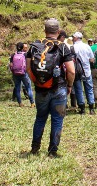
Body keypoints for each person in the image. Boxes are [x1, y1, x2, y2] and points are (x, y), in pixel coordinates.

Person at [27, 18, 75, 158]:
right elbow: (71, 71)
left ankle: (35, 148)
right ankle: (52, 151)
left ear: (45, 30)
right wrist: (69, 85)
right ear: (58, 31)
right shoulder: (63, 47)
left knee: (40, 118)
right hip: (58, 88)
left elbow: (28, 68)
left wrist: (37, 81)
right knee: (57, 119)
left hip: (40, 89)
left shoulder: (35, 46)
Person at [72, 31, 96, 115]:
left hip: (76, 71)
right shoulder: (87, 46)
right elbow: (92, 59)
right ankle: (91, 108)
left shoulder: (73, 47)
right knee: (89, 89)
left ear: (76, 38)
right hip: (86, 71)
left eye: (73, 37)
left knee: (78, 90)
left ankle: (82, 109)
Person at [11, 42, 35, 108]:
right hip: (24, 73)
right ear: (22, 48)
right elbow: (29, 63)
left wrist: (13, 72)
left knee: (17, 88)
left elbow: (11, 64)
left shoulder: (13, 55)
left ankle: (20, 103)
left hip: (15, 74)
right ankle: (32, 103)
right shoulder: (25, 54)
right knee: (28, 88)